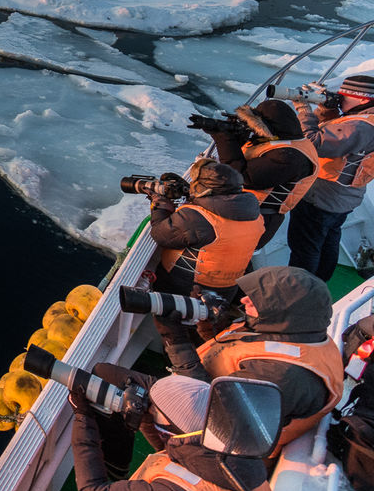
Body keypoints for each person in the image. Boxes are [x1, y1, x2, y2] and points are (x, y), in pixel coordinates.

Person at [192, 265, 343, 453]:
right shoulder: (298, 332)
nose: (244, 299)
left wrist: (176, 343)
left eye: (258, 301)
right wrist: (212, 323)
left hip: (230, 447)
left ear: (283, 311)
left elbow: (218, 416)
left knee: (144, 391)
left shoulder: (283, 375)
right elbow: (241, 347)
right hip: (220, 401)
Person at [69, 372, 269, 491]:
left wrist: (83, 418)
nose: (151, 409)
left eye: (156, 410)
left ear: (172, 431)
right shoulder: (241, 450)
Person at [146, 159, 264, 371]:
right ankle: (211, 362)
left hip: (187, 286)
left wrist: (160, 206)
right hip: (226, 287)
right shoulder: (253, 213)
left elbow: (161, 234)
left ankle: (181, 372)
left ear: (205, 189)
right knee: (204, 330)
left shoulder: (196, 218)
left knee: (175, 330)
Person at [196, 100, 318, 250]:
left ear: (267, 127)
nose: (253, 131)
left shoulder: (289, 157)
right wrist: (239, 138)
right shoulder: (287, 141)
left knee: (232, 256)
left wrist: (224, 138)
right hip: (247, 212)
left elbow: (241, 177)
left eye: (254, 126)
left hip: (257, 219)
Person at [287, 74, 374, 280]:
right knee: (328, 240)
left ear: (362, 99)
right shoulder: (366, 120)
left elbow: (313, 142)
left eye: (344, 95)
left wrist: (303, 108)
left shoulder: (361, 126)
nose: (340, 99)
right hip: (344, 198)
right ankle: (320, 280)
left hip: (323, 198)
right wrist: (328, 110)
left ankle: (299, 290)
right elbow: (339, 135)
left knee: (305, 248)